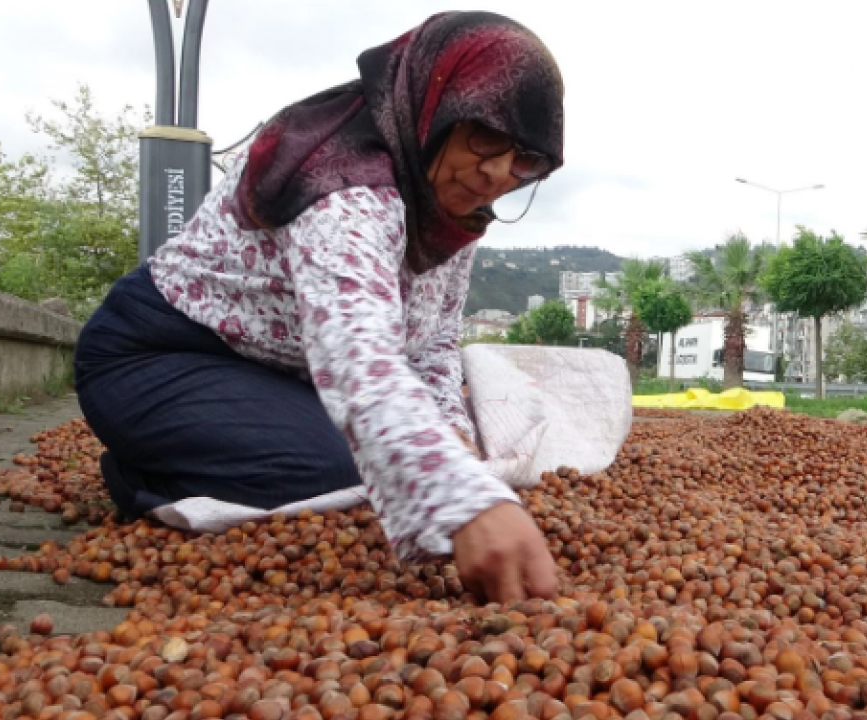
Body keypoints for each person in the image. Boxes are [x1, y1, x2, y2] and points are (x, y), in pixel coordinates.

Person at [73, 11, 563, 603]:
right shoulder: (344, 182)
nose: (496, 173)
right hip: (159, 353)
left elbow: (432, 341)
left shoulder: (448, 210)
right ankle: (140, 472)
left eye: (524, 160)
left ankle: (200, 445)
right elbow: (360, 359)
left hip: (276, 370)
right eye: (485, 135)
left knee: (388, 459)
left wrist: (455, 444)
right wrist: (470, 503)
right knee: (343, 469)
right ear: (437, 105)